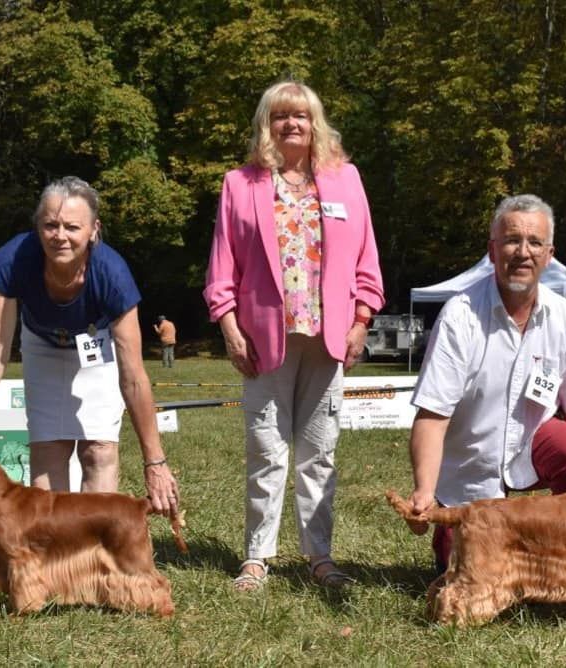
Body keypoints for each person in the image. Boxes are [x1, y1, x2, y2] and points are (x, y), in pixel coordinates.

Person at [204, 81, 384, 590]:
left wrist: (361, 321)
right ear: (267, 123)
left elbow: (366, 260)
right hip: (263, 338)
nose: (291, 124)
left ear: (315, 123)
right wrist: (229, 327)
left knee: (319, 449)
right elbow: (222, 267)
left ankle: (320, 556)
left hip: (328, 337)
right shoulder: (240, 184)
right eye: (281, 115)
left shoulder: (346, 180)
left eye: (301, 116)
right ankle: (257, 556)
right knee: (266, 449)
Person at [0, 176, 179, 515]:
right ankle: (51, 556)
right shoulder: (12, 261)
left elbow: (133, 376)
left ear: (93, 230)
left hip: (96, 347)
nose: (60, 236)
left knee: (99, 451)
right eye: (50, 225)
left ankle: (92, 556)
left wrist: (155, 461)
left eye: (72, 227)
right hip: (41, 344)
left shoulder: (113, 274)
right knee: (48, 451)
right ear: (38, 227)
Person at [402, 194, 566, 573]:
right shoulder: (460, 316)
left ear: (549, 254)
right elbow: (432, 416)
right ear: (492, 251)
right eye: (511, 240)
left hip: (530, 450)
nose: (523, 252)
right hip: (469, 479)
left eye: (535, 242)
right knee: (469, 574)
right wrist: (424, 491)